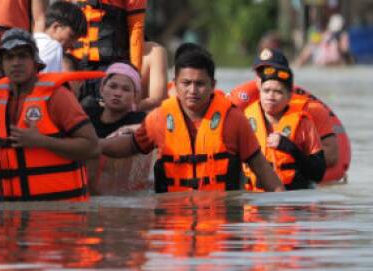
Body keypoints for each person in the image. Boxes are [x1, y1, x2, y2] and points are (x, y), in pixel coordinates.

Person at [102, 43, 283, 193]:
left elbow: (262, 169)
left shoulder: (234, 120)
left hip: (222, 225)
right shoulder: (160, 118)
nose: (192, 91)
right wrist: (96, 145)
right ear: (176, 84)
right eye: (186, 83)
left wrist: (283, 212)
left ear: (213, 85)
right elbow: (132, 145)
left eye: (200, 84)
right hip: (173, 224)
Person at [0, 29, 100, 202]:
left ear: (35, 62)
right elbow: (0, 146)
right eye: (9, 57)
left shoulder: (58, 96)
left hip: (59, 214)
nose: (16, 63)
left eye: (22, 56)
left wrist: (42, 141)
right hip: (13, 211)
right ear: (1, 64)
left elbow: (93, 148)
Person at [230, 41, 349, 183]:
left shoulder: (310, 111)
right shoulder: (244, 113)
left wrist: (291, 149)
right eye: (261, 72)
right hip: (256, 193)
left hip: (294, 188)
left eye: (272, 70)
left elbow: (331, 156)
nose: (267, 76)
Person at [241, 49, 327, 190]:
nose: (271, 96)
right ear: (260, 90)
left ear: (289, 96)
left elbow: (318, 173)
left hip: (291, 199)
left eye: (278, 92)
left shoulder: (303, 122)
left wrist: (290, 148)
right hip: (254, 201)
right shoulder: (245, 119)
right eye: (266, 91)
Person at [84, 62, 150, 191]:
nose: (118, 93)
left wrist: (126, 131)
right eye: (113, 86)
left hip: (122, 193)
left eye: (126, 89)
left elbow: (151, 128)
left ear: (135, 96)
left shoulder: (139, 120)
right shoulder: (87, 114)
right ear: (102, 88)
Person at [35, 0, 87, 74]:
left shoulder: (32, 40)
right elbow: (44, 83)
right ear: (56, 27)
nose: (73, 45)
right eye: (71, 37)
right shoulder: (53, 47)